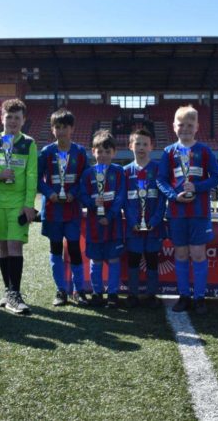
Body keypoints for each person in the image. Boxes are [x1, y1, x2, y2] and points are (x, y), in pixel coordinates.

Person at [157, 105, 218, 314]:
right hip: (176, 212)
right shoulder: (168, 151)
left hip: (199, 212)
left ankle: (200, 297)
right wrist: (173, 196)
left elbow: (216, 177)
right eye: (181, 124)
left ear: (197, 127)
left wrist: (197, 186)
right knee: (181, 254)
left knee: (198, 254)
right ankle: (184, 295)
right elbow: (161, 180)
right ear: (174, 126)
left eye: (190, 125)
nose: (185, 128)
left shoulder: (204, 150)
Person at [0, 99, 38, 315]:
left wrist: (29, 205)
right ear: (2, 118)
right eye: (9, 117)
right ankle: (8, 292)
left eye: (17, 117)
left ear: (23, 120)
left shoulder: (29, 143)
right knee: (3, 248)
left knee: (15, 246)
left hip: (18, 205)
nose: (13, 121)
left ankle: (15, 293)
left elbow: (32, 174)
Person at [37, 109, 90, 307]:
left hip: (72, 209)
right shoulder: (46, 152)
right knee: (56, 249)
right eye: (57, 127)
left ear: (72, 129)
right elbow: (38, 179)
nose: (61, 131)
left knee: (75, 249)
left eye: (65, 127)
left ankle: (79, 290)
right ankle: (60, 290)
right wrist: (49, 192)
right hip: (52, 210)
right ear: (52, 130)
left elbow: (85, 179)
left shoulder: (80, 152)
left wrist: (73, 193)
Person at [78, 129, 126, 308]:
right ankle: (97, 292)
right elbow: (82, 195)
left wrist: (111, 214)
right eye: (100, 151)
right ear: (93, 151)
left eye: (108, 151)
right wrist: (92, 202)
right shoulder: (88, 174)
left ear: (114, 152)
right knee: (95, 260)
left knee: (114, 260)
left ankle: (113, 294)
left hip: (113, 225)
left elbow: (121, 196)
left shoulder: (119, 172)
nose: (104, 155)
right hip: (94, 224)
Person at [123, 128, 165, 309]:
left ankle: (151, 294)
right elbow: (123, 199)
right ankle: (132, 294)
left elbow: (163, 200)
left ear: (152, 147)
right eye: (137, 143)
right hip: (133, 228)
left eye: (145, 144)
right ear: (130, 146)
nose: (141, 147)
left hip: (153, 228)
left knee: (152, 261)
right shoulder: (124, 172)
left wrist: (154, 221)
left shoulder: (158, 169)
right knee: (132, 260)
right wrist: (132, 222)